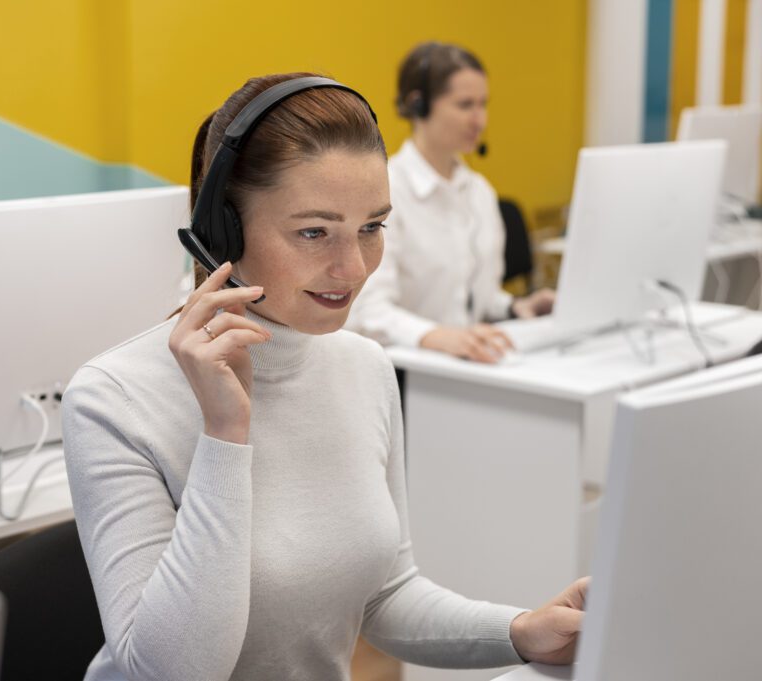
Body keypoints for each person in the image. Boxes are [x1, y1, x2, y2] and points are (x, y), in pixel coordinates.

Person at [62, 72, 587, 681]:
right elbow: (173, 672)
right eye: (313, 232)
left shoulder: (362, 367)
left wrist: (520, 631)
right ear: (221, 231)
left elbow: (384, 595)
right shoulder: (114, 398)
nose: (353, 267)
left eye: (372, 227)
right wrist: (225, 433)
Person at [347, 42, 554, 363]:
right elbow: (367, 311)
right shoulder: (386, 191)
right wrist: (436, 336)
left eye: (483, 104)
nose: (479, 119)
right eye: (465, 105)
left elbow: (475, 300)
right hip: (407, 369)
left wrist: (513, 307)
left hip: (468, 363)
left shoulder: (479, 192)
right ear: (419, 106)